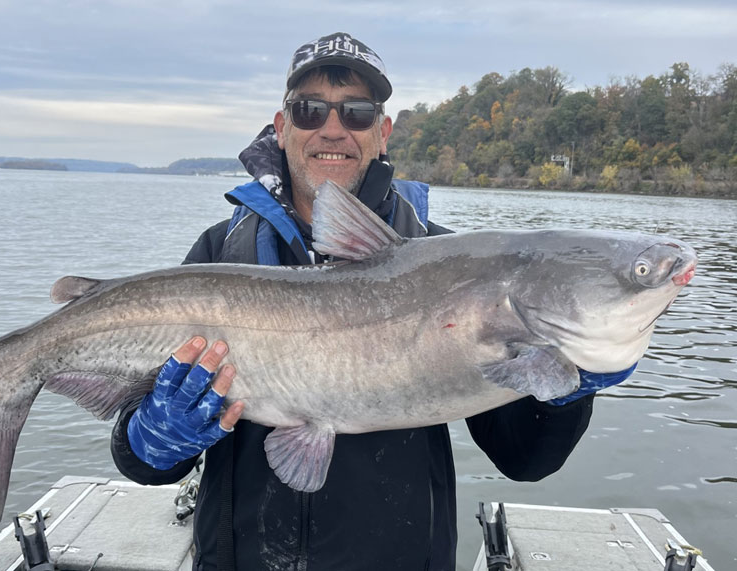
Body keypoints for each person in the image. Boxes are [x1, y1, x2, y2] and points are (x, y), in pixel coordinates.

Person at [111, 32, 635, 571]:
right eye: (310, 110)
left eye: (357, 113)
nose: (332, 129)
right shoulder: (220, 254)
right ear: (282, 125)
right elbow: (142, 463)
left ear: (382, 133)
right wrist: (153, 439)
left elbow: (526, 460)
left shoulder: (455, 268)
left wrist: (566, 390)